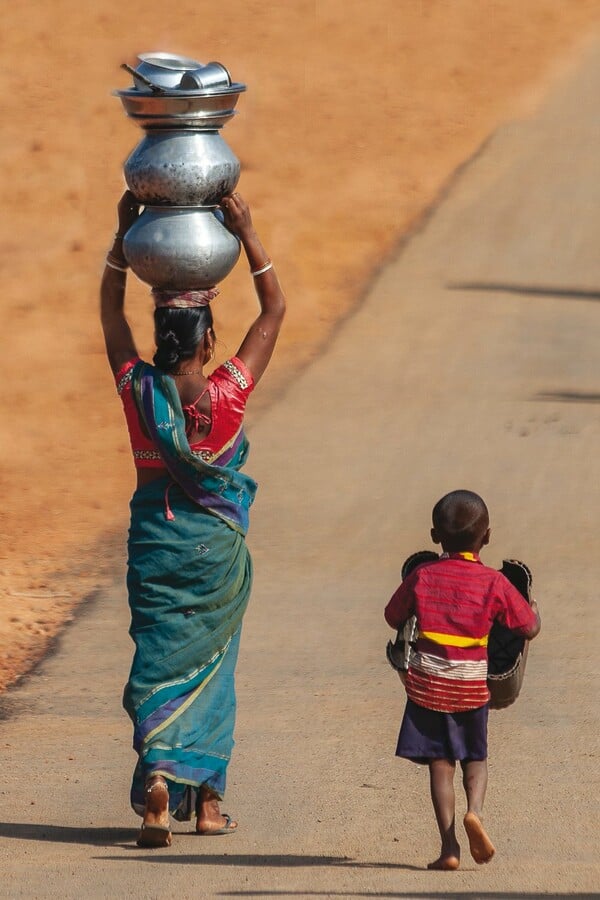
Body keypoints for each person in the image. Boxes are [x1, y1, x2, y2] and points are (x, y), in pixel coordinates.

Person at [100, 189, 285, 847]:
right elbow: (275, 310)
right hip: (215, 555)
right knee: (216, 668)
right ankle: (206, 806)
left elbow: (109, 316)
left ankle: (157, 780)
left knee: (159, 660)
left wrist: (122, 241)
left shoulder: (137, 390)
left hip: (156, 547)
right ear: (209, 339)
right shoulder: (227, 394)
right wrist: (249, 231)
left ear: (161, 340)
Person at [384, 490, 540, 870]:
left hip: (427, 685)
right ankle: (476, 812)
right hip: (471, 685)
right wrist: (534, 611)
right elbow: (527, 626)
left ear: (435, 536)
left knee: (440, 764)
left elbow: (392, 616)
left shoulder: (423, 576)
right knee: (476, 758)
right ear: (486, 538)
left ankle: (450, 847)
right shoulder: (493, 583)